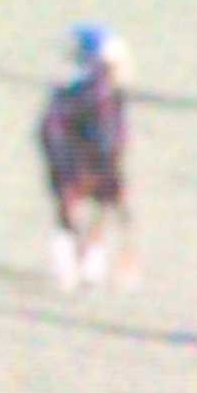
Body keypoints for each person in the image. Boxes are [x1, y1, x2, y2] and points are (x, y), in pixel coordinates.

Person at [37, 22, 131, 289]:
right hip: (74, 151)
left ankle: (89, 251)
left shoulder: (109, 96)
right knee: (75, 199)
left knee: (101, 200)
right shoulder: (80, 94)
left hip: (92, 150)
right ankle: (73, 251)